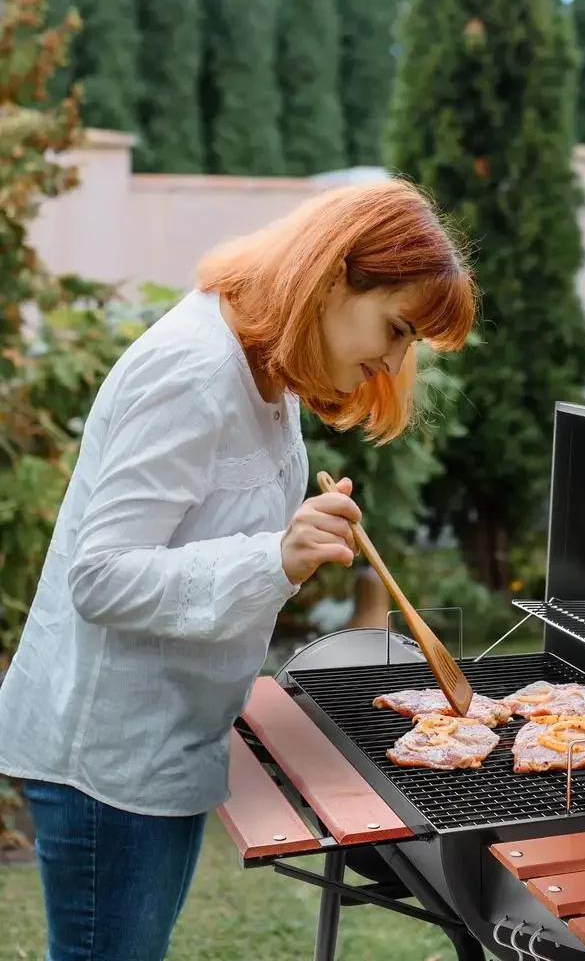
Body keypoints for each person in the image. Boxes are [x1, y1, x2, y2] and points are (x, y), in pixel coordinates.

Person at [0, 179, 476, 961]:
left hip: (168, 741)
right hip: (109, 763)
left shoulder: (266, 367)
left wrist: (288, 544)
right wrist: (273, 556)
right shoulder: (192, 371)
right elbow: (102, 576)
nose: (393, 361)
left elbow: (205, 529)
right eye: (396, 329)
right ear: (331, 278)